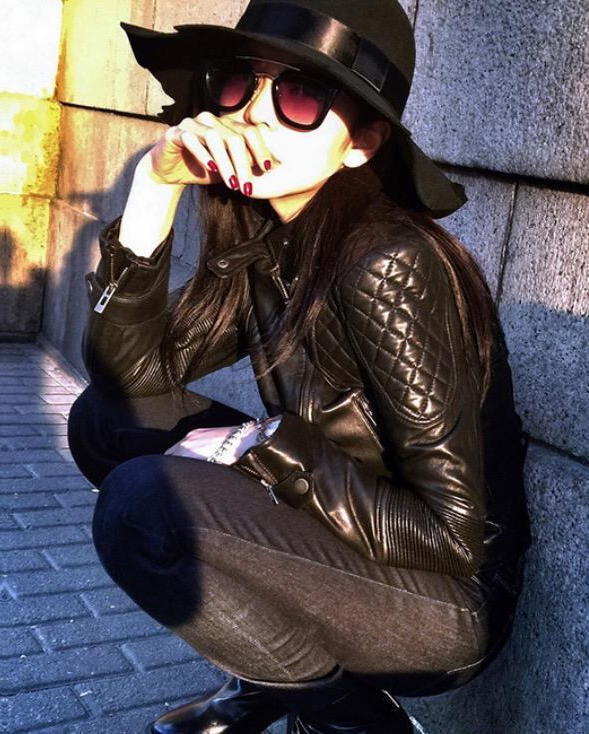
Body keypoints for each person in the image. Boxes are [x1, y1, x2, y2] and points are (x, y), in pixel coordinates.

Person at [66, 1, 533, 733]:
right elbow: (129, 377)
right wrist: (155, 183)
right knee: (103, 422)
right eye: (239, 84)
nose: (253, 114)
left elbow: (451, 536)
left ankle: (355, 720)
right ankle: (272, 679)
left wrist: (257, 446)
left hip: (443, 603)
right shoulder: (272, 235)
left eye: (301, 95)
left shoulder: (387, 263)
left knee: (141, 506)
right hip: (343, 531)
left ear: (362, 144)